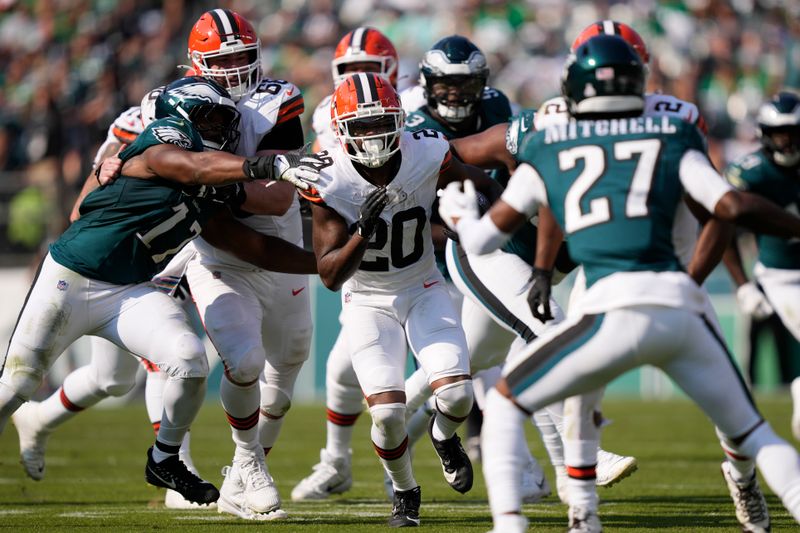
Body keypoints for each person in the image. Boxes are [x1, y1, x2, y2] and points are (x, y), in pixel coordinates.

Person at [439, 34, 800, 533]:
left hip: (606, 307)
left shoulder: (547, 140)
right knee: (757, 433)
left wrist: (458, 214)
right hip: (677, 301)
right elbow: (731, 208)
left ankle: (528, 521)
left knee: (503, 402)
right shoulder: (674, 132)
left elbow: (479, 242)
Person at [0, 76, 315, 506]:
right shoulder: (169, 138)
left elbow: (251, 245)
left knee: (188, 359)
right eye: (212, 116)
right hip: (71, 278)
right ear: (183, 113)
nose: (221, 129)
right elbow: (187, 167)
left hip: (129, 289)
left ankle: (165, 457)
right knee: (16, 384)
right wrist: (267, 166)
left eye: (226, 119)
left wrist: (325, 265)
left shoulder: (212, 179)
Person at [305, 72, 499, 527]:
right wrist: (362, 233)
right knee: (389, 413)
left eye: (381, 123)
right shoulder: (327, 176)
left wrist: (486, 213)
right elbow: (331, 274)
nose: (373, 135)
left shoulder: (427, 149)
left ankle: (444, 436)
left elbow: (477, 183)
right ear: (341, 129)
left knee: (457, 395)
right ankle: (406, 492)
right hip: (366, 299)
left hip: (423, 285)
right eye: (363, 126)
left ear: (400, 120)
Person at [180, 9, 316, 521]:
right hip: (218, 254)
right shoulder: (174, 104)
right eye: (224, 59)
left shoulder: (276, 101)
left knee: (287, 367)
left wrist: (206, 180)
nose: (236, 68)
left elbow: (278, 197)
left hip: (277, 250)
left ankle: (242, 473)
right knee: (245, 363)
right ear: (198, 63)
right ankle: (246, 462)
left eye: (243, 55)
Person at [294, 26, 408, 503]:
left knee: (460, 371)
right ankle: (339, 462)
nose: (359, 80)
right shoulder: (327, 113)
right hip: (366, 259)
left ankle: (521, 462)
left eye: (369, 70)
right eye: (350, 71)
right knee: (346, 371)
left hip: (418, 254)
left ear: (392, 71)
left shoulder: (411, 106)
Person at [723, 91, 800, 441]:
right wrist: (742, 285)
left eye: (792, 132)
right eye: (779, 132)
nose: (786, 140)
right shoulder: (751, 172)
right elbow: (720, 228)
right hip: (780, 278)